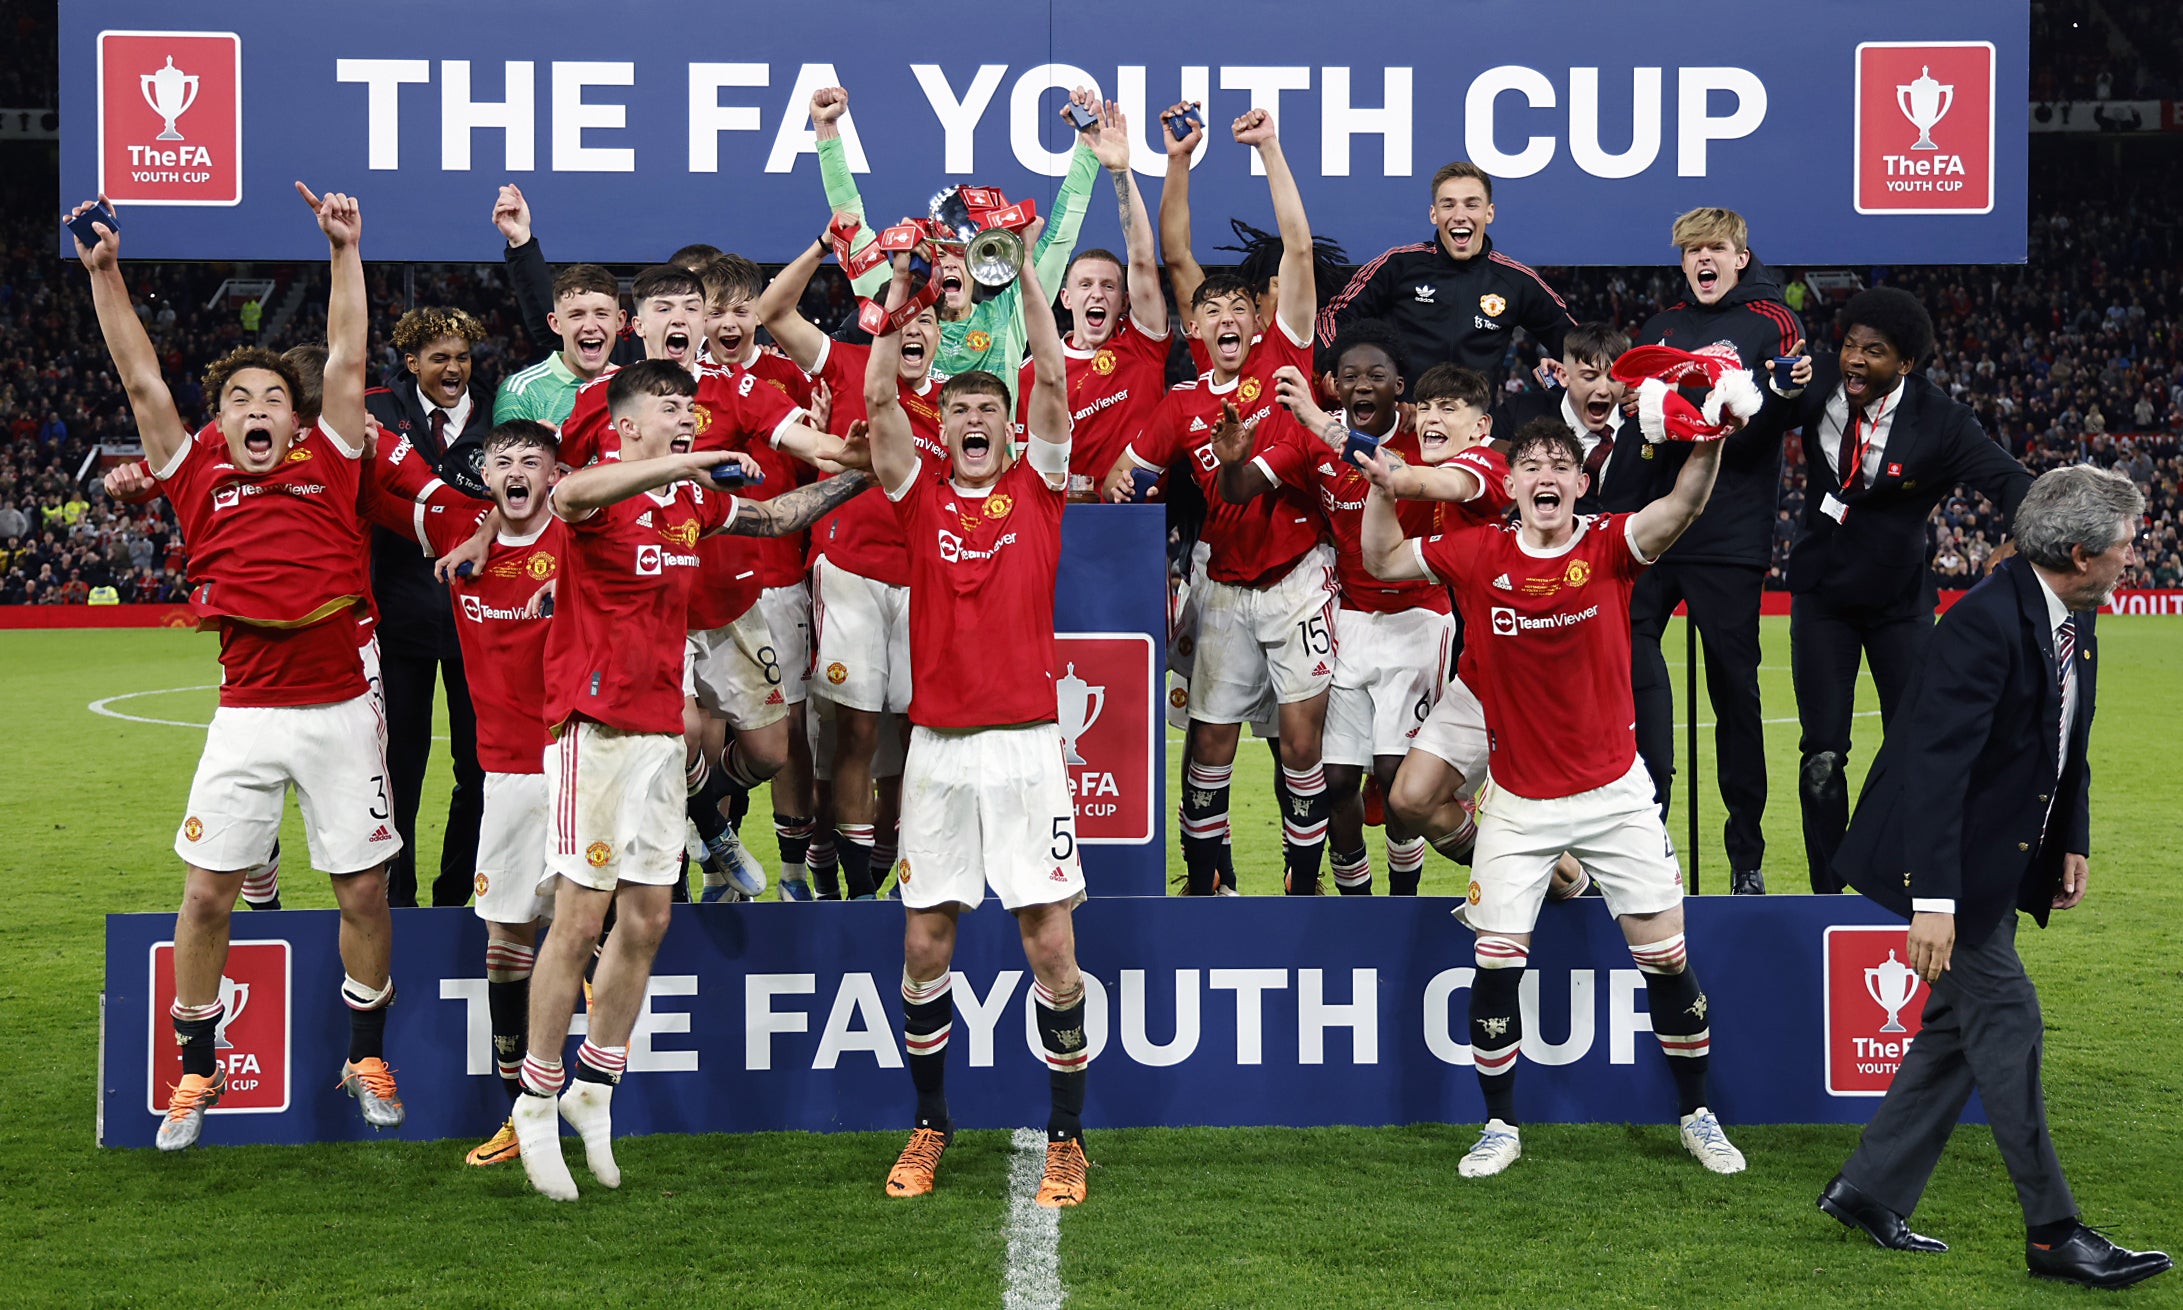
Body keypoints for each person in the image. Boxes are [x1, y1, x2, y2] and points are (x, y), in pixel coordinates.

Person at [75, 183, 408, 1150]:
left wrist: (345, 252)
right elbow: (141, 380)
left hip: (342, 708)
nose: (254, 411)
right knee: (207, 893)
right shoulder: (192, 473)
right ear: (215, 424)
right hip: (247, 715)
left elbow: (345, 354)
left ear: (298, 422)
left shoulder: (332, 459)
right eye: (236, 401)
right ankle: (195, 1075)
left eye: (271, 400)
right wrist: (107, 276)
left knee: (362, 891)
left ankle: (366, 1055)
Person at [513, 360, 873, 1201]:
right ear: (627, 422)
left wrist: (857, 471)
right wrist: (683, 461)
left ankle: (593, 1091)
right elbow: (570, 499)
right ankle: (535, 1096)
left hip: (655, 739)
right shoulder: (594, 489)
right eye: (670, 409)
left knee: (647, 917)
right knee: (577, 921)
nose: (687, 419)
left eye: (691, 409)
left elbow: (777, 515)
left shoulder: (687, 502)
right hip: (592, 736)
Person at [1357, 417, 1746, 1178]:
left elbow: (1683, 505)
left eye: (1558, 465)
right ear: (1510, 486)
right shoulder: (1479, 553)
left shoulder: (1608, 547)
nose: (1543, 475)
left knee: (1666, 960)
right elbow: (1382, 557)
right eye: (1529, 464)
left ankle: (1697, 1115)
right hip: (1517, 802)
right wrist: (1384, 486)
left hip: (1614, 794)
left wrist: (1712, 435)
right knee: (1496, 963)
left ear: (1578, 484)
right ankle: (1499, 1126)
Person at [1819, 467, 2170, 1292]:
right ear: (2081, 552)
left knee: (1952, 1034)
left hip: (1995, 859)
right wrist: (1932, 904)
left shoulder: (2071, 615)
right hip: (1942, 866)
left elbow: (2064, 740)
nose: (2133, 557)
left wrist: (2067, 841)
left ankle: (1866, 1189)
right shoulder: (1980, 625)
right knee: (2007, 1020)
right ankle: (2052, 1234)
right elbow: (1936, 775)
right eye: (2125, 545)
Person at [861, 235, 1094, 1207]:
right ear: (941, 424)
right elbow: (878, 402)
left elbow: (1048, 376)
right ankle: (928, 1122)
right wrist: (890, 305)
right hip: (938, 752)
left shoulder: (1036, 488)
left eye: (985, 408)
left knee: (1048, 943)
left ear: (1006, 427)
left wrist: (1025, 271)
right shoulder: (915, 495)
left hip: (1026, 748)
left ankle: (1067, 1139)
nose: (971, 417)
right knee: (924, 944)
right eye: (956, 407)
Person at [1103, 107, 1336, 896]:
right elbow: (1121, 480)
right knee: (1207, 750)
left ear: (1261, 318)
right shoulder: (1179, 402)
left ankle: (1303, 888)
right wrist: (1177, 161)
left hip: (1297, 577)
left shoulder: (1284, 356)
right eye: (1213, 311)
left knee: (1302, 748)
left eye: (1242, 309)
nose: (1228, 318)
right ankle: (1210, 887)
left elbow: (1297, 248)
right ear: (1194, 327)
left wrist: (1269, 146)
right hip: (1223, 586)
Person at [1775, 288, 2033, 892]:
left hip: (1900, 605)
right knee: (1820, 759)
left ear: (1907, 363)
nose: (1855, 361)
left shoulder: (1942, 422)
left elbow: (2014, 482)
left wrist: (2015, 544)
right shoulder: (1816, 393)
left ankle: (1900, 882)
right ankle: (1825, 896)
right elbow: (1750, 420)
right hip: (1820, 599)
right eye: (1848, 346)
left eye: (1875, 351)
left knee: (1915, 753)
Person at [758, 224, 950, 900]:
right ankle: (845, 881)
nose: (916, 329)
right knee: (856, 728)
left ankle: (887, 872)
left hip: (922, 583)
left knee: (908, 733)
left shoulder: (957, 403)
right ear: (884, 326)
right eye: (906, 318)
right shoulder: (842, 363)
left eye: (928, 319)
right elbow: (771, 314)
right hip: (845, 573)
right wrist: (818, 245)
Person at [1626, 209, 1804, 896]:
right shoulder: (1659, 329)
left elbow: (1789, 396)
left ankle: (1745, 856)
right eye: (1691, 251)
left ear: (1739, 256)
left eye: (1715, 250)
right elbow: (1638, 435)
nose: (1703, 260)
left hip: (1728, 535)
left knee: (1734, 692)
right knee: (1627, 666)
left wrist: (1784, 389)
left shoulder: (1769, 320)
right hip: (1655, 530)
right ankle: (1643, 830)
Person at [410, 420, 563, 1169]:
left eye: (531, 461)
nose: (515, 471)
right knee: (505, 951)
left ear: (555, 475)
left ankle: (583, 1083)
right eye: (500, 461)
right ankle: (521, 1116)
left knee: (586, 923)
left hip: (575, 759)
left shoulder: (576, 534)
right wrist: (476, 532)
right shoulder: (460, 549)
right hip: (503, 774)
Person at [1271, 324, 1459, 895]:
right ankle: (1355, 893)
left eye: (1376, 375)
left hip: (1420, 618)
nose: (1362, 385)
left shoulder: (1424, 438)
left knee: (1394, 775)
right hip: (1349, 619)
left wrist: (1317, 420)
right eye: (1349, 376)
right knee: (1336, 779)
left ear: (1399, 387)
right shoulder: (1315, 448)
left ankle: (1403, 893)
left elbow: (1387, 468)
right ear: (1333, 383)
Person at [810, 83, 1102, 389]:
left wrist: (1088, 143)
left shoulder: (1009, 313)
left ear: (980, 265)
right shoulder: (894, 300)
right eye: (941, 252)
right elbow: (849, 221)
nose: (950, 263)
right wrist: (825, 128)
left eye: (962, 253)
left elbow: (1059, 238)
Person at [367, 307, 495, 908]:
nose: (453, 368)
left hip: (484, 619)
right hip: (401, 619)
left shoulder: (499, 412)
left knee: (479, 766)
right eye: (439, 358)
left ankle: (454, 896)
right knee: (400, 768)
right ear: (411, 362)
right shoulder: (376, 412)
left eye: (462, 356)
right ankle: (399, 898)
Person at [1012, 98, 1170, 490]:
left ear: (1125, 301)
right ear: (1065, 298)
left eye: (1109, 286)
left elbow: (1142, 259)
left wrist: (1120, 173)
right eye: (1084, 285)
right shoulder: (1028, 374)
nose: (1096, 295)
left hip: (1133, 525)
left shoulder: (1143, 350)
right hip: (1055, 532)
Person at [1316, 161, 1574, 391]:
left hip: (1476, 429)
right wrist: (1338, 368)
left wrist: (1562, 369)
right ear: (1433, 214)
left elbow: (1579, 344)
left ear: (1489, 213)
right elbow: (1332, 317)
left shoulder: (1516, 279)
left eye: (1471, 204)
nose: (1459, 215)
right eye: (1448, 205)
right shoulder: (1398, 264)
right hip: (1403, 425)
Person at [495, 262, 627, 428]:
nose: (590, 327)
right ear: (555, 323)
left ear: (619, 321)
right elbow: (510, 454)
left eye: (601, 314)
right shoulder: (523, 392)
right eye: (576, 315)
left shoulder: (634, 389)